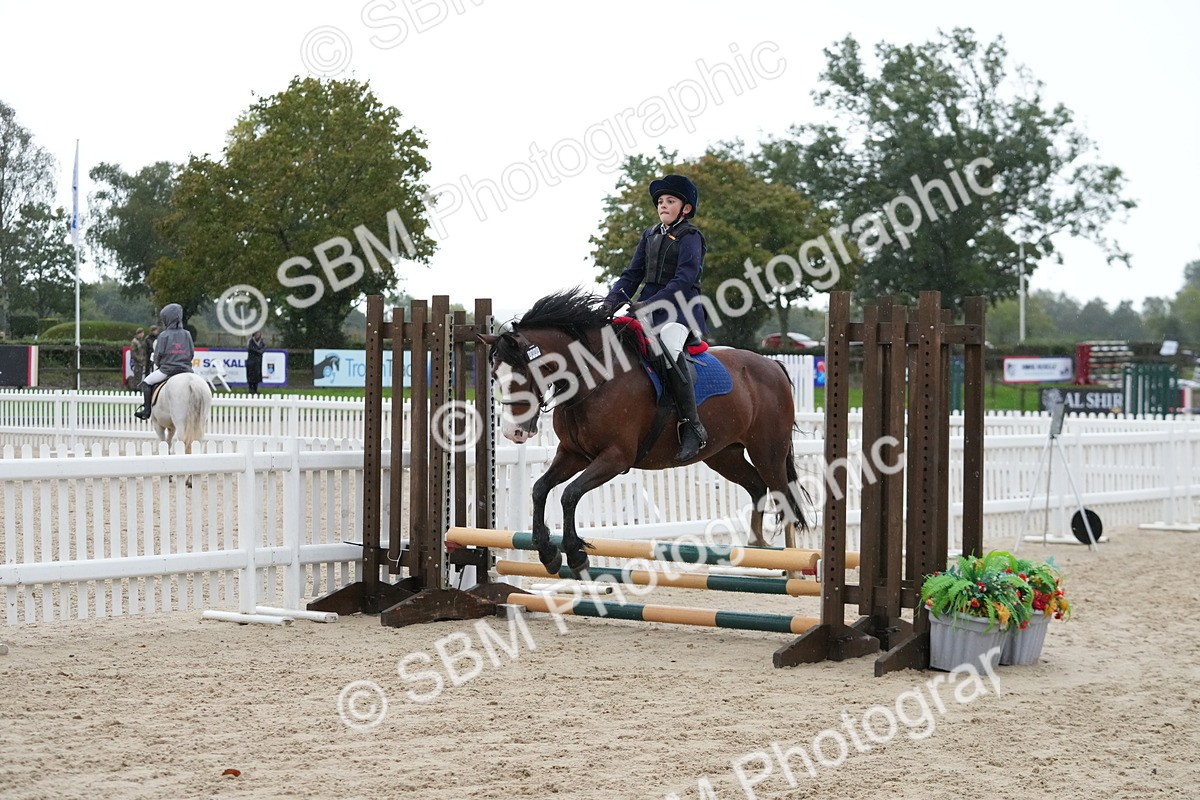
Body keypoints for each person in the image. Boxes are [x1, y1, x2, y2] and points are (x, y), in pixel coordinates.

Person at [604, 173, 709, 461]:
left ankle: (693, 427)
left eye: (670, 201)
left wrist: (648, 303)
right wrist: (610, 303)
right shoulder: (649, 235)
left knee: (670, 349)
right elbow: (631, 275)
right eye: (660, 201)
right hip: (647, 309)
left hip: (681, 310)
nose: (663, 205)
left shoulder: (691, 237)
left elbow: (685, 279)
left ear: (685, 209)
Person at [134, 305, 194, 420]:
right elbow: (191, 353)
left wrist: (161, 363)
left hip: (167, 370)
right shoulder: (187, 334)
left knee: (146, 382)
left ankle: (146, 411)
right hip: (186, 370)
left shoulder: (163, 335)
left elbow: (157, 356)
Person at [245, 330, 266, 394]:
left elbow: (263, 349)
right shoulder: (251, 342)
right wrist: (258, 351)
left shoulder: (262, 342)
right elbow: (252, 349)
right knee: (251, 376)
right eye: (257, 334)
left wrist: (259, 351)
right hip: (251, 362)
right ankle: (251, 390)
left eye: (259, 334)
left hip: (258, 362)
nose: (258, 335)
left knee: (257, 377)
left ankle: (255, 389)